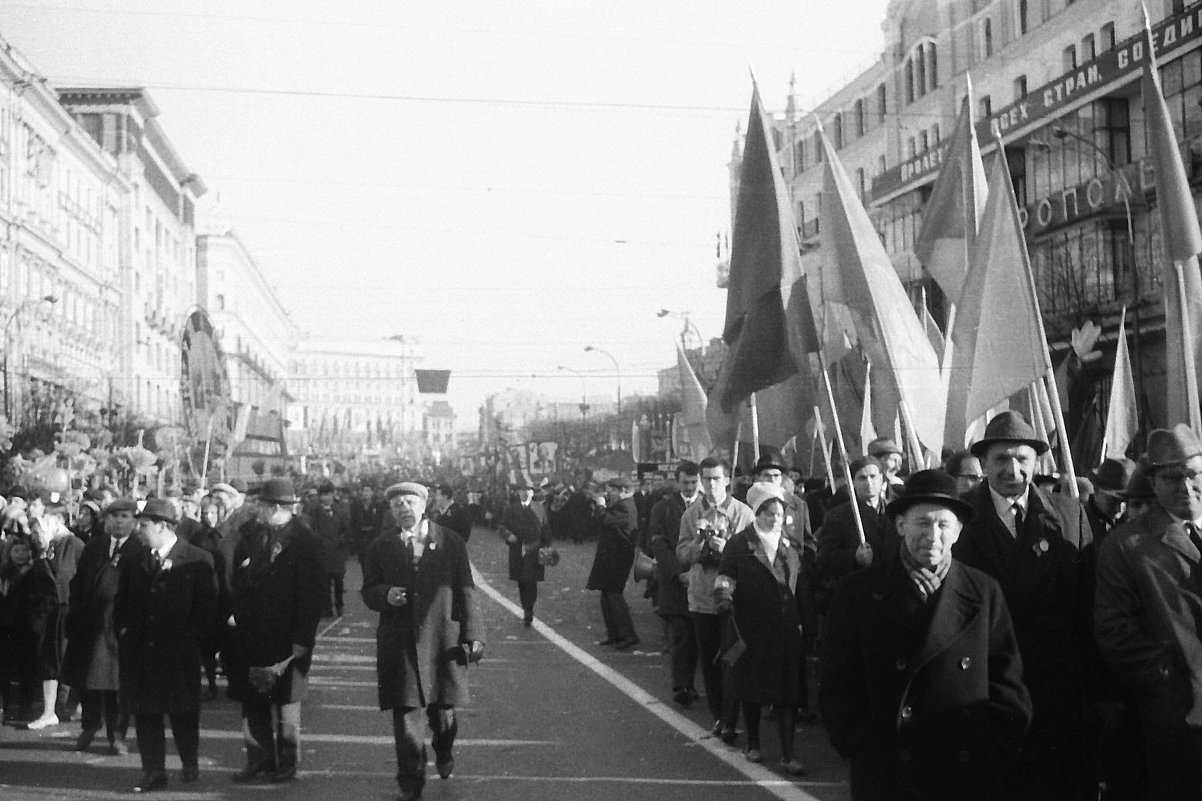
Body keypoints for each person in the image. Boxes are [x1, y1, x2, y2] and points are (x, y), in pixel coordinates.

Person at [820, 469, 1031, 800]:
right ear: (901, 525)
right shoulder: (858, 592)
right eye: (922, 522)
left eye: (944, 524)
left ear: (959, 531)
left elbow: (1007, 680)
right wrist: (858, 744)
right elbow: (837, 677)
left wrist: (996, 748)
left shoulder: (984, 591)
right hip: (887, 767)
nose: (933, 535)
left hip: (965, 770)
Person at [951, 410, 1093, 801]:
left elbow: (1087, 605)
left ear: (1036, 462)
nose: (1012, 469)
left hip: (1056, 684)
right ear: (983, 464)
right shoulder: (957, 518)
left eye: (1022, 459)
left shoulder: (1069, 514)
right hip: (985, 682)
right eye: (1001, 459)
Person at [1096, 424, 1202, 800]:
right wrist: (1176, 680)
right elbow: (1115, 631)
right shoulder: (1126, 546)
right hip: (1180, 717)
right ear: (1153, 483)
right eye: (1172, 479)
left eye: (1193, 475)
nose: (1186, 488)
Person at [362, 482, 484, 801]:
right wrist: (385, 595)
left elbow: (466, 590)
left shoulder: (450, 542)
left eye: (409, 501)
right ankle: (411, 782)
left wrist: (474, 635)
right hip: (400, 641)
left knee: (443, 715)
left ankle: (443, 750)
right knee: (406, 717)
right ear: (390, 511)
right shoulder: (379, 546)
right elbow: (369, 590)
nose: (403, 508)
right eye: (396, 504)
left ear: (423, 505)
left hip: (442, 639)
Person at [113, 498, 217, 793]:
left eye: (144, 525)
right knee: (146, 714)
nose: (139, 530)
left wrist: (191, 638)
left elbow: (208, 605)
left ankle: (189, 762)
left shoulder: (197, 558)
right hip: (142, 650)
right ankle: (153, 771)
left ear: (162, 526)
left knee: (183, 711)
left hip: (178, 651)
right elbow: (122, 601)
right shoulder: (136, 560)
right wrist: (122, 630)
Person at [227, 478, 325, 784]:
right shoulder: (251, 534)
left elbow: (311, 596)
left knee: (285, 702)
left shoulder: (305, 541)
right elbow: (240, 578)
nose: (257, 509)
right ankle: (258, 758)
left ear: (278, 508)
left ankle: (286, 762)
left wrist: (301, 640)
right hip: (251, 632)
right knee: (252, 698)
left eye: (263, 505)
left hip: (286, 635)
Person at [715, 483, 808, 774]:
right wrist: (724, 597)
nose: (774, 519)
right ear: (757, 513)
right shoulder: (740, 544)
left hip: (785, 630)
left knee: (787, 693)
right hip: (750, 627)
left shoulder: (791, 546)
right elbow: (725, 576)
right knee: (752, 687)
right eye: (768, 513)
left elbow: (802, 587)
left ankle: (788, 754)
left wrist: (807, 624)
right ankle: (753, 744)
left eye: (778, 513)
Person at [676, 456, 754, 742]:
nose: (710, 484)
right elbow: (681, 556)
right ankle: (719, 716)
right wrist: (698, 545)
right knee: (709, 661)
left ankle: (733, 717)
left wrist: (726, 548)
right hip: (701, 599)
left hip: (732, 599)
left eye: (715, 478)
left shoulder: (743, 513)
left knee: (732, 658)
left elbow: (752, 557)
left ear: (726, 481)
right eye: (705, 479)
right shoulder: (691, 514)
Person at [62, 498, 146, 755]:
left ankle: (116, 735)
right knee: (88, 681)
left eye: (123, 516)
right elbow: (78, 583)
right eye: (113, 516)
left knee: (116, 687)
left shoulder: (139, 549)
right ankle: (89, 725)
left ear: (134, 521)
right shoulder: (95, 546)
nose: (118, 521)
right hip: (90, 623)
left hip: (118, 626)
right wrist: (74, 614)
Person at [25, 503, 84, 730]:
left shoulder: (74, 545)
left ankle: (74, 705)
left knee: (71, 660)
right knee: (49, 662)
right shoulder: (44, 548)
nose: (36, 533)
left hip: (69, 612)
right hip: (48, 613)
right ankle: (49, 711)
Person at [647, 461, 701, 707]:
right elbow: (658, 544)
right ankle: (682, 686)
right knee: (680, 639)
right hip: (675, 585)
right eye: (685, 482)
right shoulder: (664, 508)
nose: (690, 486)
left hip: (703, 582)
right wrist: (678, 573)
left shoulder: (710, 505)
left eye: (694, 482)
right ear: (677, 482)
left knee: (704, 639)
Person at [815, 457, 895, 614]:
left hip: (893, 596)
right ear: (852, 483)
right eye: (862, 478)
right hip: (858, 599)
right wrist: (854, 557)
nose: (868, 482)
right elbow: (824, 559)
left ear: (881, 479)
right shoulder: (838, 516)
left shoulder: (896, 513)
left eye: (873, 476)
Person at [586, 476, 641, 650]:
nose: (609, 494)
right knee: (606, 595)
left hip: (618, 557)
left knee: (614, 595)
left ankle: (628, 634)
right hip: (611, 556)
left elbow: (606, 520)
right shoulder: (620, 505)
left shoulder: (626, 507)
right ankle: (615, 634)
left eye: (613, 490)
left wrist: (601, 505)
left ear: (623, 491)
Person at [500, 480, 552, 626]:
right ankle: (526, 607)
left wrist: (548, 548)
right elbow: (502, 526)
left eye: (528, 490)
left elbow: (546, 529)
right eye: (522, 490)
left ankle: (529, 609)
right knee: (522, 581)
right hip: (517, 550)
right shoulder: (511, 509)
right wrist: (508, 534)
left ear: (532, 492)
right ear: (518, 492)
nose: (525, 493)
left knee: (531, 581)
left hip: (534, 550)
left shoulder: (539, 508)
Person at [304, 482, 352, 618]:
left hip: (337, 552)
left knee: (338, 581)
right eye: (324, 495)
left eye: (329, 494)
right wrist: (319, 542)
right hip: (322, 552)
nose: (327, 498)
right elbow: (310, 530)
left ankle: (339, 605)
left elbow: (347, 530)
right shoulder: (315, 512)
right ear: (320, 497)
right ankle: (327, 608)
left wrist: (341, 542)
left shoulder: (340, 510)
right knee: (324, 583)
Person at [1084, 458, 1130, 546]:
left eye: (1125, 502)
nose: (1119, 510)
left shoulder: (1131, 526)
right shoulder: (1079, 525)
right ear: (1096, 491)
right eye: (1113, 501)